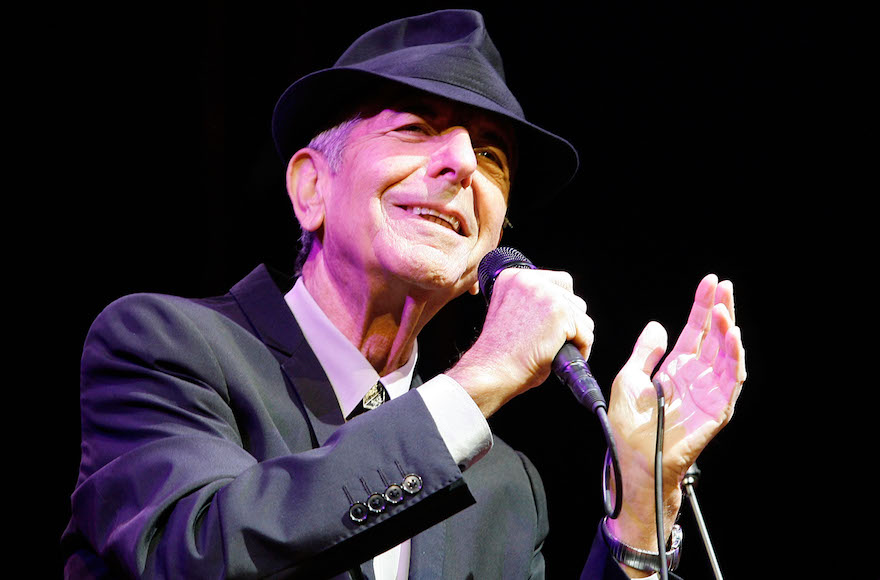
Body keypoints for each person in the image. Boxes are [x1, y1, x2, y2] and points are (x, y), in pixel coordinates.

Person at [62, 9, 746, 579]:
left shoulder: (504, 487)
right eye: (416, 127)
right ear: (311, 188)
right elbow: (198, 553)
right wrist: (480, 378)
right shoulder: (166, 348)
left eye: (492, 156)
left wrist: (641, 499)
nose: (462, 165)